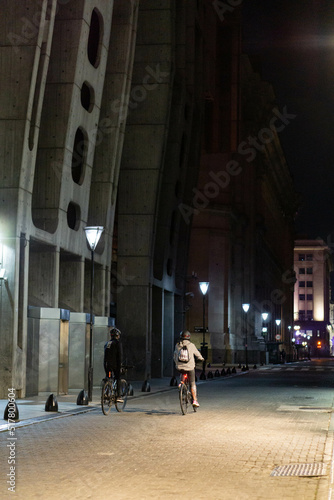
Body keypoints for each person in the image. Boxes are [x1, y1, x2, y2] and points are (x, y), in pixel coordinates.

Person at [173, 330, 204, 407]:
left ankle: (181, 383)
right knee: (192, 383)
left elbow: (174, 356)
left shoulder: (177, 345)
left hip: (179, 367)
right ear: (189, 337)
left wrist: (177, 363)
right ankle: (195, 400)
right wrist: (201, 359)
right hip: (190, 367)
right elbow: (198, 355)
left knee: (182, 372)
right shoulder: (191, 345)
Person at [104, 327, 123, 402]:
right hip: (115, 365)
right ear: (117, 335)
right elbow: (120, 355)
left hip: (107, 365)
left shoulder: (107, 343)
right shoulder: (117, 343)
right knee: (118, 378)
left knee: (108, 376)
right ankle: (118, 396)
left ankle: (106, 391)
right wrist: (120, 366)